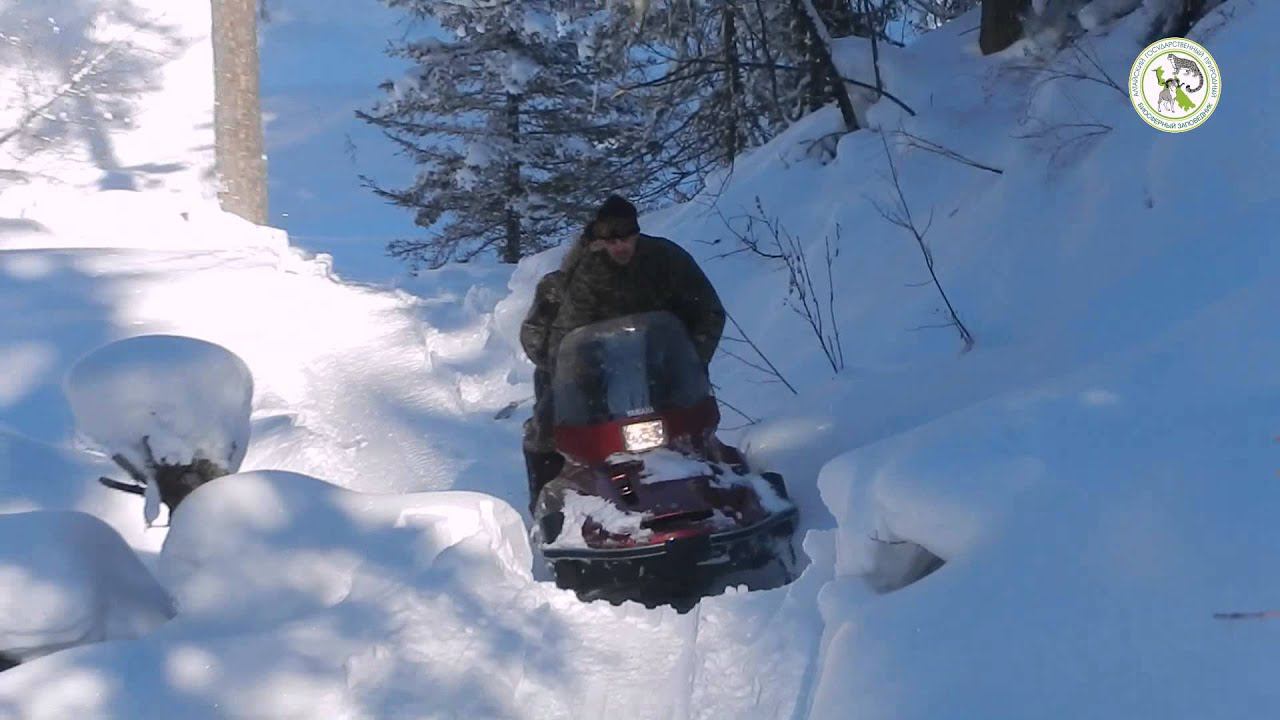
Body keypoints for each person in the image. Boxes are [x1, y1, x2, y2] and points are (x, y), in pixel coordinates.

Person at [519, 195, 727, 508]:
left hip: (661, 362)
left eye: (627, 238)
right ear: (598, 242)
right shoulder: (586, 273)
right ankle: (548, 505)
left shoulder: (665, 260)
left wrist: (691, 357)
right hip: (597, 369)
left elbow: (707, 310)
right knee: (547, 429)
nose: (621, 248)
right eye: (612, 241)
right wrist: (573, 370)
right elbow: (567, 332)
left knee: (691, 420)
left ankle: (712, 482)